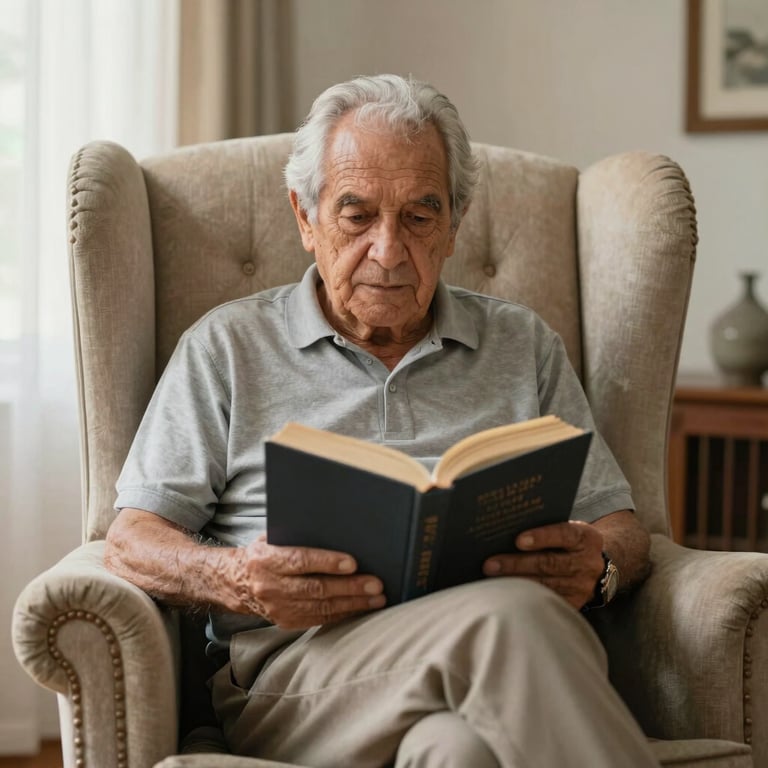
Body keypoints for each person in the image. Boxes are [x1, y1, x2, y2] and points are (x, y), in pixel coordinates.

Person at [105, 74, 659, 767]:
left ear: (455, 223)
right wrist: (239, 577)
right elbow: (130, 539)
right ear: (305, 218)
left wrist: (599, 566)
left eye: (419, 217)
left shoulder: (523, 346)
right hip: (303, 678)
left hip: (492, 670)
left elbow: (621, 526)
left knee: (457, 752)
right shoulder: (227, 348)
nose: (390, 251)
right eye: (357, 214)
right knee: (511, 622)